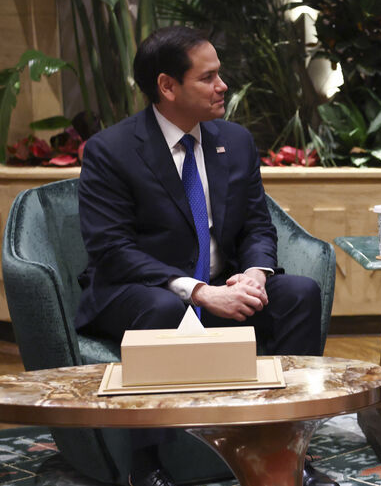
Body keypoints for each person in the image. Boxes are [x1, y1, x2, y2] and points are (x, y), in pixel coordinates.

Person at [76, 26, 336, 486]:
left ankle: (285, 450)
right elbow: (111, 250)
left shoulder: (233, 142)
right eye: (209, 77)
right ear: (167, 86)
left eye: (221, 75)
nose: (223, 86)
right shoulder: (111, 151)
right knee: (162, 306)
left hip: (226, 282)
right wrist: (199, 291)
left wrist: (255, 273)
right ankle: (147, 464)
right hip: (140, 291)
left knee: (298, 292)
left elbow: (257, 223)